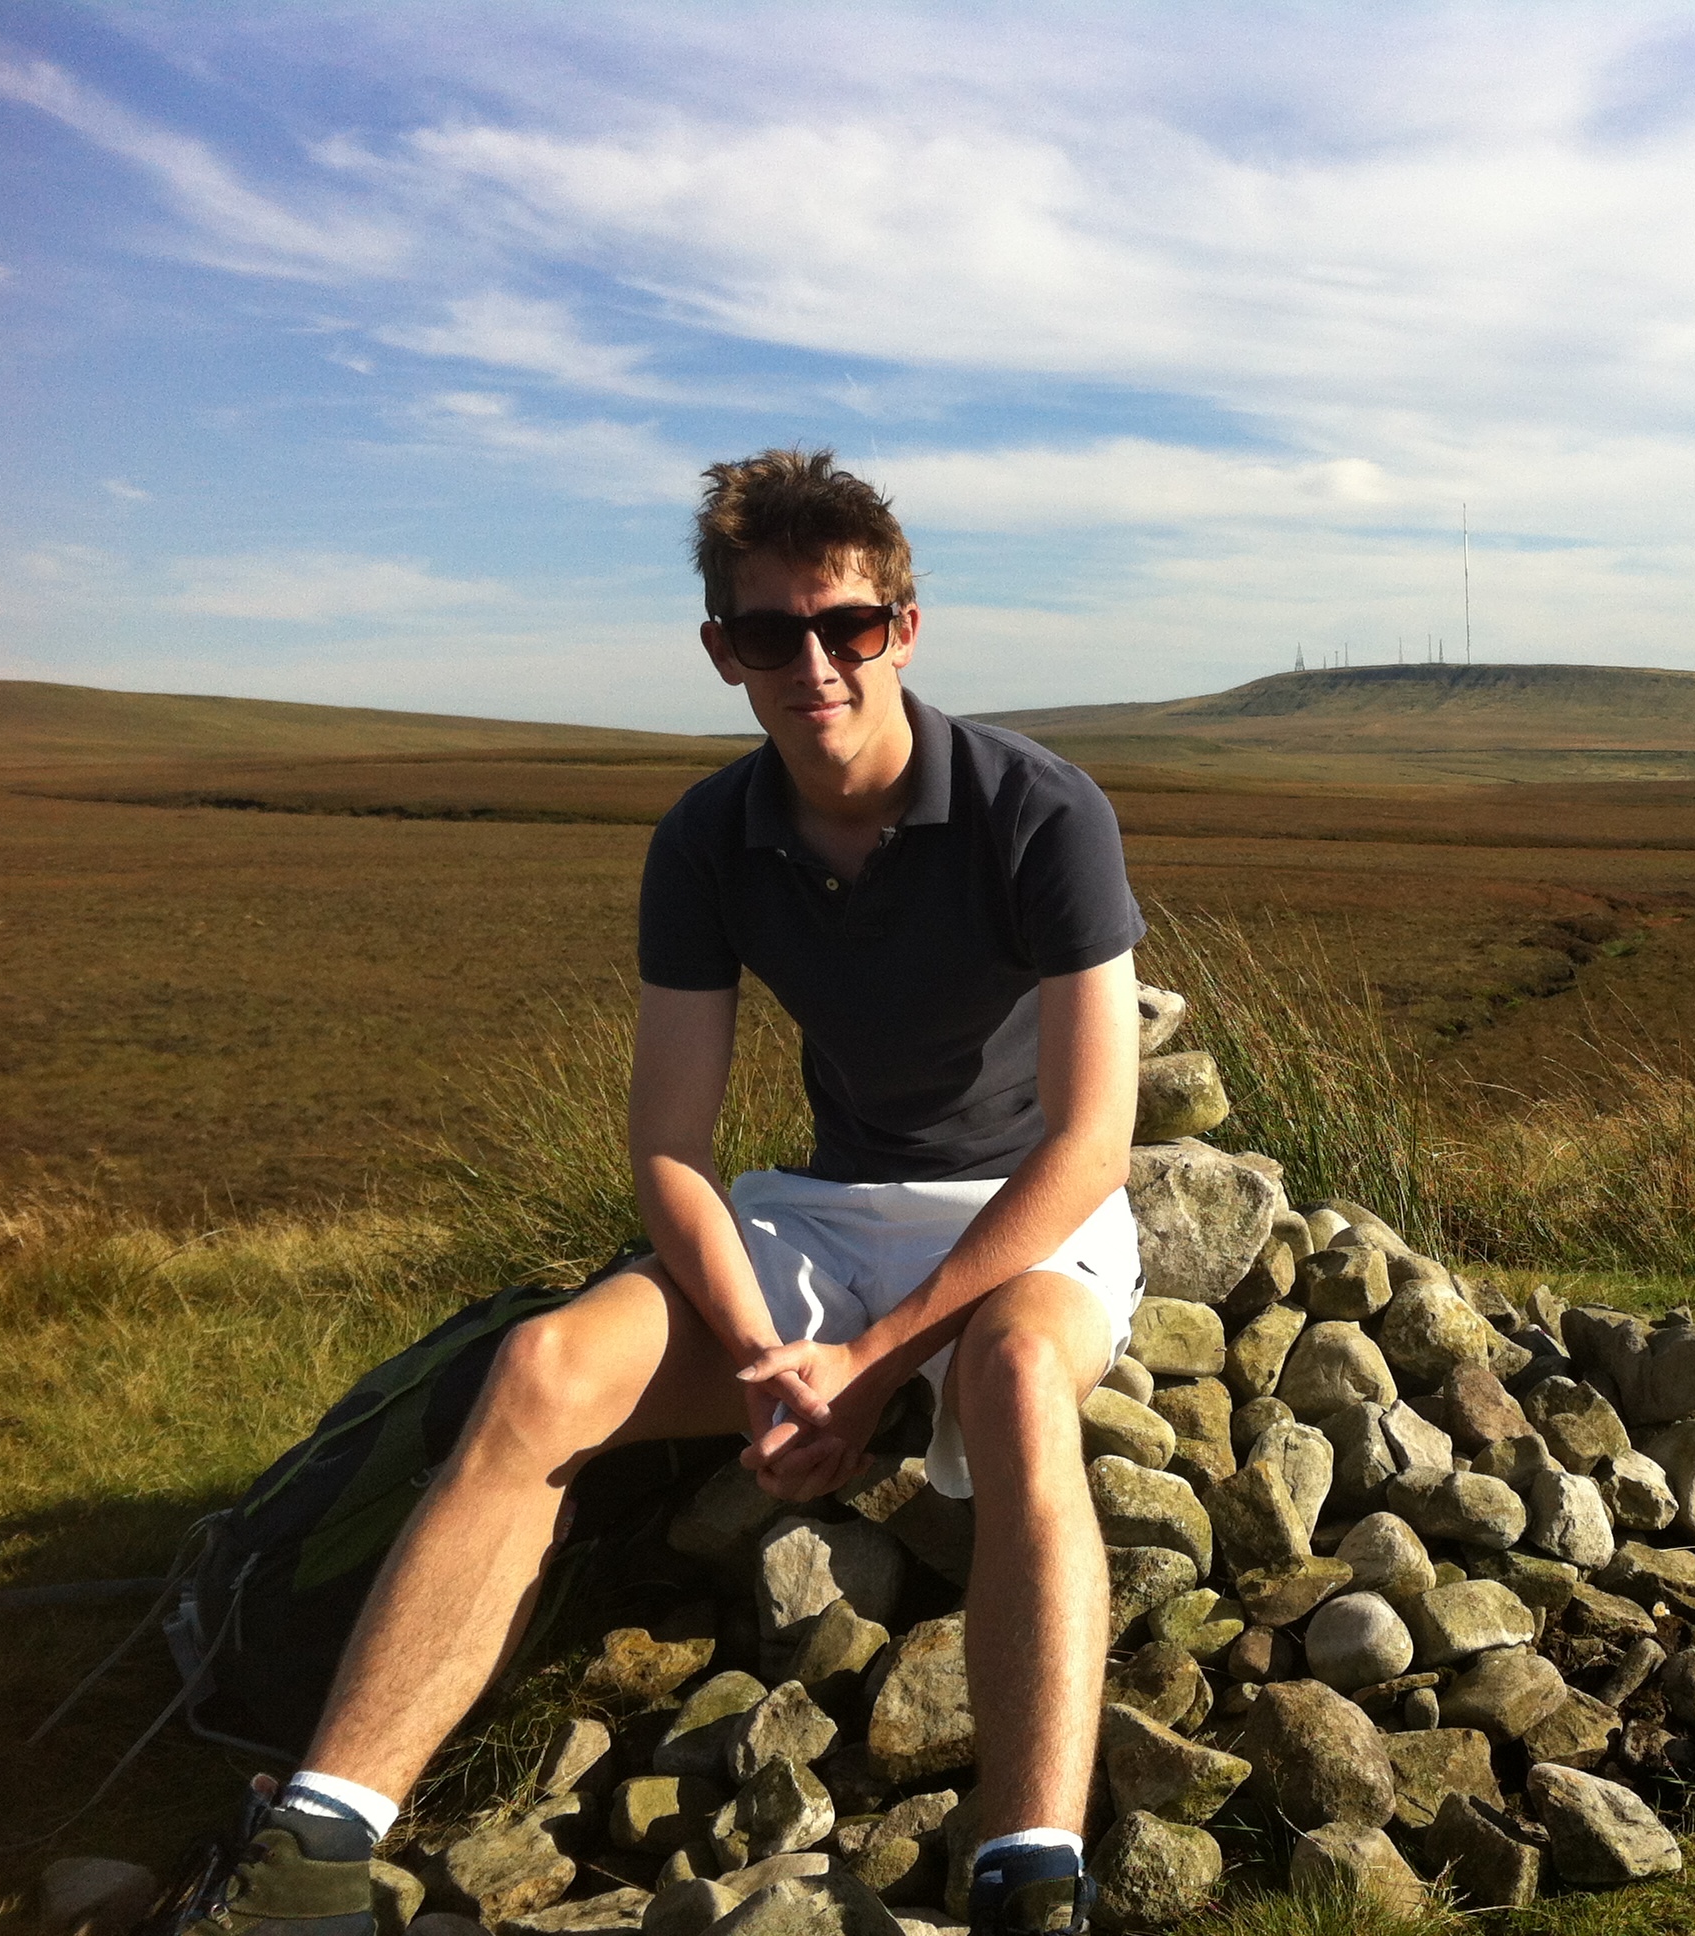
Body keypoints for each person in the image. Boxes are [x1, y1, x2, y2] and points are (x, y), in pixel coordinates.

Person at [188, 450, 1146, 1936]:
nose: (814, 665)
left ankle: (1032, 1876)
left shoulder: (1041, 809)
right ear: (721, 651)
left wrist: (869, 1363)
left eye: (848, 625)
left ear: (904, 627)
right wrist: (768, 1356)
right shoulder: (708, 837)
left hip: (1025, 1211)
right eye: (770, 633)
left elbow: (1089, 1145)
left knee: (1018, 1382)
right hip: (825, 1210)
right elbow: (669, 1150)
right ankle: (315, 1847)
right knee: (542, 1368)